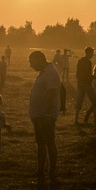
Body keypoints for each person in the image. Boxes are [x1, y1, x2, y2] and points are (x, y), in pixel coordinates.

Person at [28, 51, 61, 181]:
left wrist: (47, 113)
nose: (31, 66)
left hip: (45, 115)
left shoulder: (50, 73)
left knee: (49, 141)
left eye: (32, 62)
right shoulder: (46, 71)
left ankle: (51, 170)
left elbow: (52, 92)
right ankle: (41, 170)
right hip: (40, 114)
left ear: (39, 60)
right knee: (41, 142)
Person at [75, 47, 96, 125]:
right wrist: (95, 77)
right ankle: (95, 120)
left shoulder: (80, 61)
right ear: (89, 53)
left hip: (80, 83)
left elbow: (77, 73)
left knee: (79, 102)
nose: (92, 55)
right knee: (95, 102)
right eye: (92, 53)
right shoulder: (88, 62)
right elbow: (88, 74)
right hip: (86, 84)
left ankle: (76, 119)